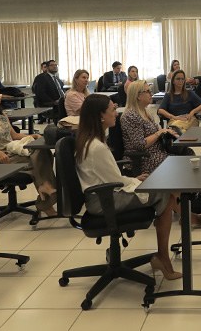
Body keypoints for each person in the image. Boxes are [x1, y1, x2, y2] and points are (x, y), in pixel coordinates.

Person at [74, 94, 181, 280]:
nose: (116, 113)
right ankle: (163, 258)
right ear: (100, 116)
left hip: (102, 194)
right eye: (112, 110)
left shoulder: (89, 140)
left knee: (160, 189)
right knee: (167, 194)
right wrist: (137, 182)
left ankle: (163, 255)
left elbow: (110, 177)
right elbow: (115, 181)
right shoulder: (97, 147)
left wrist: (134, 179)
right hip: (104, 201)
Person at [0, 85, 58, 217]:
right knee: (37, 157)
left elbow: (14, 136)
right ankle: (46, 194)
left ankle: (44, 188)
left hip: (13, 149)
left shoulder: (2, 115)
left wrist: (32, 136)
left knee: (43, 152)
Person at [121, 81, 176, 175]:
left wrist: (167, 132)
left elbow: (155, 133)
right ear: (138, 96)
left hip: (157, 152)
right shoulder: (130, 115)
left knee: (188, 153)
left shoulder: (145, 112)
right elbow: (140, 145)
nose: (151, 94)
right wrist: (159, 133)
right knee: (180, 163)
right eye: (148, 91)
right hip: (144, 158)